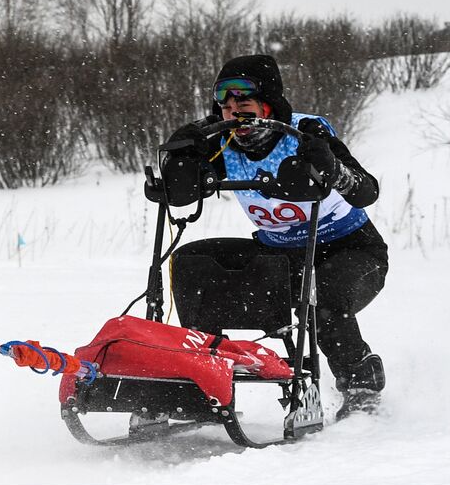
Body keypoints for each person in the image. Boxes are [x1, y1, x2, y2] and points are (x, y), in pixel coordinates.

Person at [160, 54, 388, 415]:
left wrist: (330, 168)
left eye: (245, 105)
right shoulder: (220, 142)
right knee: (195, 263)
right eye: (227, 107)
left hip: (351, 250)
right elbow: (181, 196)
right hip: (281, 255)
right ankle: (202, 384)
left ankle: (360, 384)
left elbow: (367, 192)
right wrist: (181, 159)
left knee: (321, 299)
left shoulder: (306, 133)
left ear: (267, 104)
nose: (236, 115)